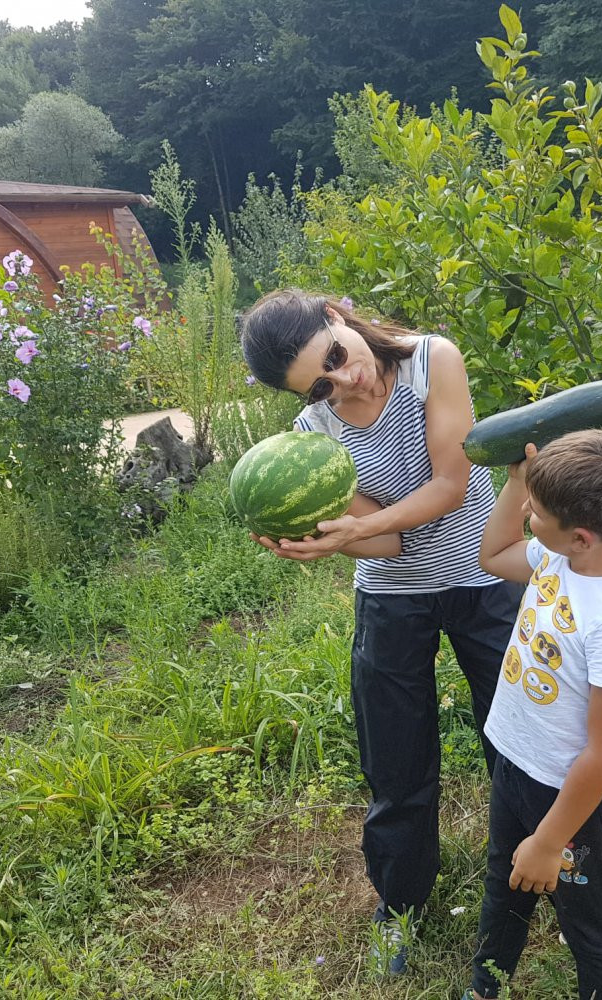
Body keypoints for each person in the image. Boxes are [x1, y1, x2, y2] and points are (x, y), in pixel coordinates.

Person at [240, 289, 522, 972]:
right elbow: (392, 549)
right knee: (394, 757)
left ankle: (530, 880)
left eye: (334, 357)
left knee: (517, 736)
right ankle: (399, 903)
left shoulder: (434, 361)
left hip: (483, 577)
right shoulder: (315, 433)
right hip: (393, 598)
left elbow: (452, 485)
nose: (345, 379)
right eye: (320, 383)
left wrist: (355, 528)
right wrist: (325, 543)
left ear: (336, 316)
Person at [464, 430, 602, 1000]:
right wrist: (516, 483)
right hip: (516, 763)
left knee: (587, 921)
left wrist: (552, 840)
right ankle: (485, 988)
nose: (528, 513)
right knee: (504, 885)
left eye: (537, 511)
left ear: (580, 536)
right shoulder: (560, 557)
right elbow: (492, 555)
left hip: (574, 800)